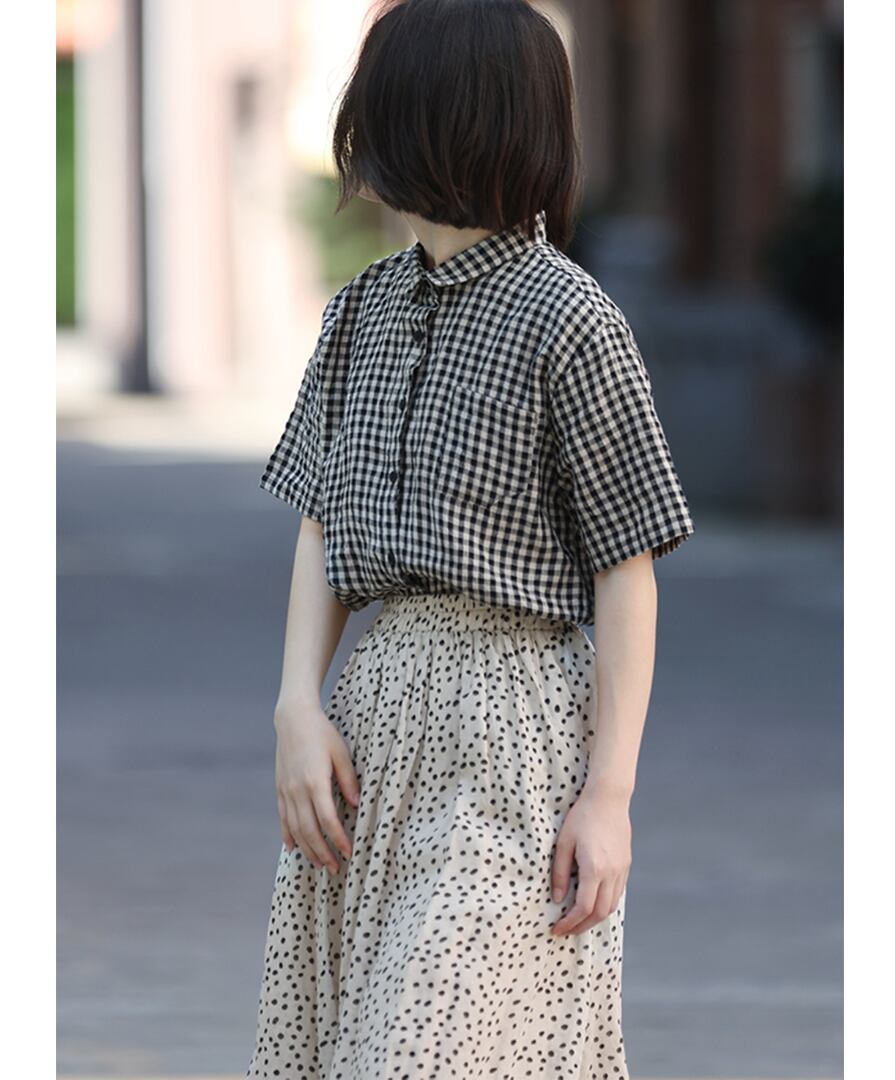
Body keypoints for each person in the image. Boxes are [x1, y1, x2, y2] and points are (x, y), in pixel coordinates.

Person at [246, 1, 695, 1076]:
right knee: (346, 1045)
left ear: (442, 120)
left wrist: (611, 796)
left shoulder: (571, 319)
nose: (358, 133)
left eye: (379, 105)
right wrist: (297, 705)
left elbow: (627, 569)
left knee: (426, 1049)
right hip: (370, 728)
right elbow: (321, 515)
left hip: (513, 733)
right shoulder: (356, 312)